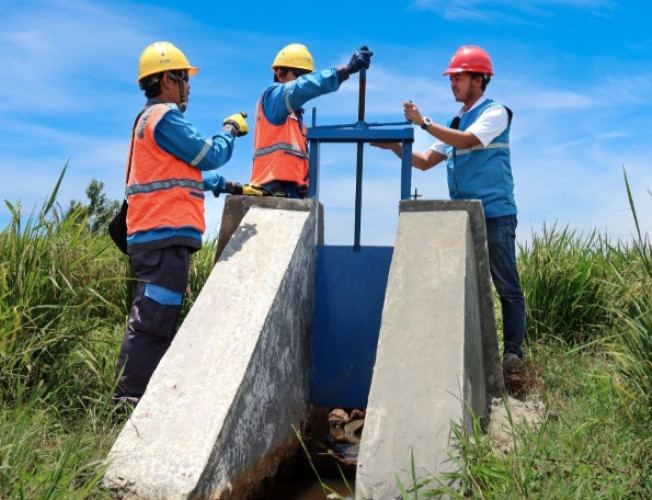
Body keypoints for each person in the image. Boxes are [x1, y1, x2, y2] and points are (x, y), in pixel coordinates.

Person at [113, 41, 262, 408]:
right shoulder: (164, 118)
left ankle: (137, 398)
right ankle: (127, 403)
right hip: (162, 239)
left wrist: (234, 186)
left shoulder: (148, 123)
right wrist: (229, 130)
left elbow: (185, 173)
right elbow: (208, 155)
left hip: (156, 238)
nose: (189, 86)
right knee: (152, 321)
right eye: (184, 78)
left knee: (155, 319)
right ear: (166, 80)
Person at [371, 45, 526, 375]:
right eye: (451, 78)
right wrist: (394, 147)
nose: (453, 83)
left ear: (479, 79)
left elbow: (467, 141)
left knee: (506, 286)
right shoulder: (456, 121)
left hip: (496, 213)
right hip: (465, 214)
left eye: (459, 77)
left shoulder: (496, 113)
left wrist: (423, 122)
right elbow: (426, 162)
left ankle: (514, 357)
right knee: (467, 282)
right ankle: (476, 357)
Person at [249, 43, 373, 198]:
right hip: (270, 190)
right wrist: (344, 71)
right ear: (280, 74)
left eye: (307, 76)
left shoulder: (296, 119)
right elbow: (302, 88)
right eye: (298, 75)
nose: (303, 80)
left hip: (293, 191)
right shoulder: (272, 98)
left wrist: (304, 187)